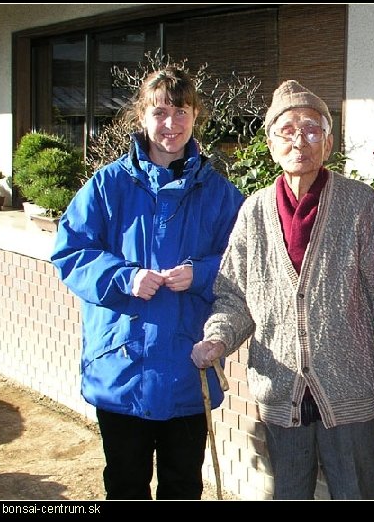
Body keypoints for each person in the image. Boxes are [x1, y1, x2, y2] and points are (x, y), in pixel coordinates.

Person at [50, 66, 244, 500]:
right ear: (142, 116)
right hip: (121, 367)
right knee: (125, 484)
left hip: (188, 370)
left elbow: (247, 263)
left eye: (180, 111)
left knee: (182, 485)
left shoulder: (221, 195)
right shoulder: (106, 186)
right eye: (159, 112)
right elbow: (70, 252)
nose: (170, 124)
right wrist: (125, 277)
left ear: (196, 116)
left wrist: (203, 273)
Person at [191, 80, 374, 500]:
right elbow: (233, 294)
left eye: (312, 129)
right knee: (290, 494)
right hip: (281, 392)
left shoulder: (360, 203)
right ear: (271, 142)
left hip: (348, 389)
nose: (301, 141)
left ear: (329, 143)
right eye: (288, 130)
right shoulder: (254, 211)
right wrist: (218, 338)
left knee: (357, 494)